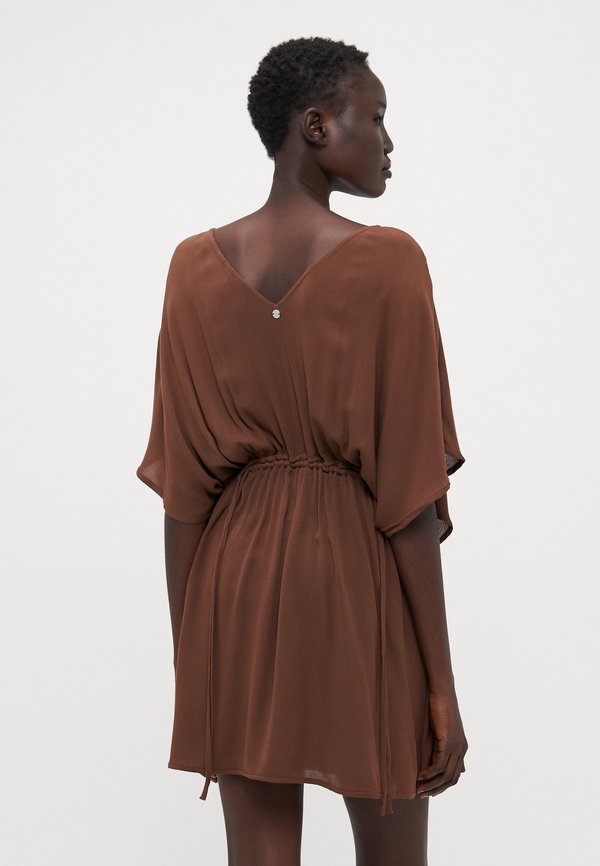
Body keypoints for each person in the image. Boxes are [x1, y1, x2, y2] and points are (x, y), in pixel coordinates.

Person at [136, 35, 468, 866]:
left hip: (234, 587)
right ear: (316, 126)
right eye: (376, 117)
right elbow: (409, 497)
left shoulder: (192, 267)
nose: (389, 140)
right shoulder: (390, 262)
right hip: (358, 580)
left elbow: (185, 495)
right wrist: (441, 685)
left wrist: (193, 661)